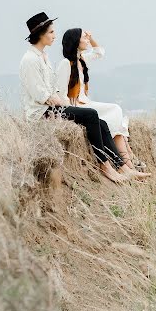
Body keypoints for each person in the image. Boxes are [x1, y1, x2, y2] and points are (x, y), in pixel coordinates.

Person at [19, 12, 132, 184]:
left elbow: (52, 89)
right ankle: (105, 166)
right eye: (51, 32)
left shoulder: (44, 57)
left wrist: (61, 101)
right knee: (91, 114)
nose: (54, 36)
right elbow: (41, 95)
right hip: (41, 112)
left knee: (100, 122)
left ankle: (122, 166)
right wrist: (65, 105)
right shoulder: (30, 60)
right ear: (40, 34)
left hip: (51, 107)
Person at [55, 28, 150, 179]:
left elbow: (99, 52)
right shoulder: (65, 64)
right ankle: (129, 163)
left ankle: (128, 166)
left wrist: (91, 37)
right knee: (115, 110)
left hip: (85, 102)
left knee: (114, 114)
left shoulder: (82, 59)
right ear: (75, 42)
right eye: (83, 38)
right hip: (76, 106)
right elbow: (60, 93)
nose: (86, 40)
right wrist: (72, 111)